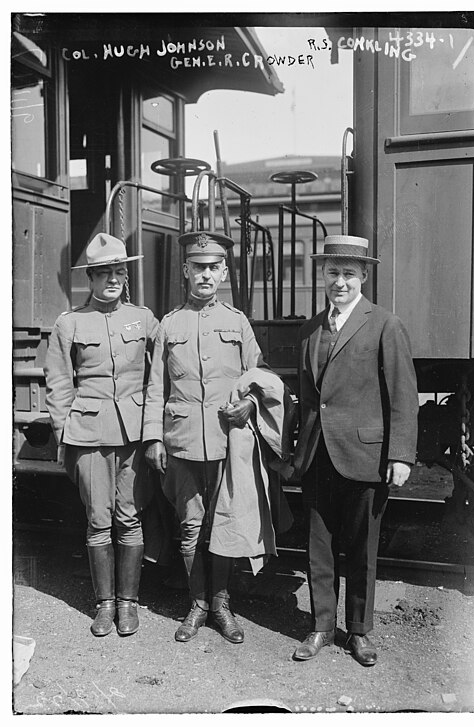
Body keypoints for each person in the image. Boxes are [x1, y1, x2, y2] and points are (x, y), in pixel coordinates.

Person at [292, 235, 418, 666]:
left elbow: (403, 393)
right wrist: (295, 453)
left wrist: (400, 454)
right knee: (319, 546)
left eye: (348, 273)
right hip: (317, 455)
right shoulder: (310, 329)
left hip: (365, 456)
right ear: (323, 275)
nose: (339, 281)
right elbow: (308, 398)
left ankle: (359, 632)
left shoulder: (385, 323)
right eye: (332, 273)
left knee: (362, 549)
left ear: (363, 275)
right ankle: (322, 626)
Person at [143, 230, 268, 644]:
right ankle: (197, 605)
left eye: (213, 268)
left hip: (225, 442)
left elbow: (257, 377)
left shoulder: (236, 322)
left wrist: (250, 404)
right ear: (185, 271)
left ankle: (221, 604)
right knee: (191, 526)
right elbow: (154, 388)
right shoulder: (169, 324)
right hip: (180, 444)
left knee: (223, 525)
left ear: (224, 272)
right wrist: (153, 439)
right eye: (198, 267)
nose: (206, 275)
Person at [44, 233, 159, 638]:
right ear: (89, 279)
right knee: (97, 520)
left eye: (119, 272)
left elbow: (162, 371)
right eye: (104, 273)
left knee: (129, 516)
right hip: (88, 434)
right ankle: (105, 605)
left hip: (132, 432)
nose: (113, 279)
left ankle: (128, 604)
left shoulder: (144, 319)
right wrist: (65, 432)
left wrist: (154, 429)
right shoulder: (70, 322)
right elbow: (58, 381)